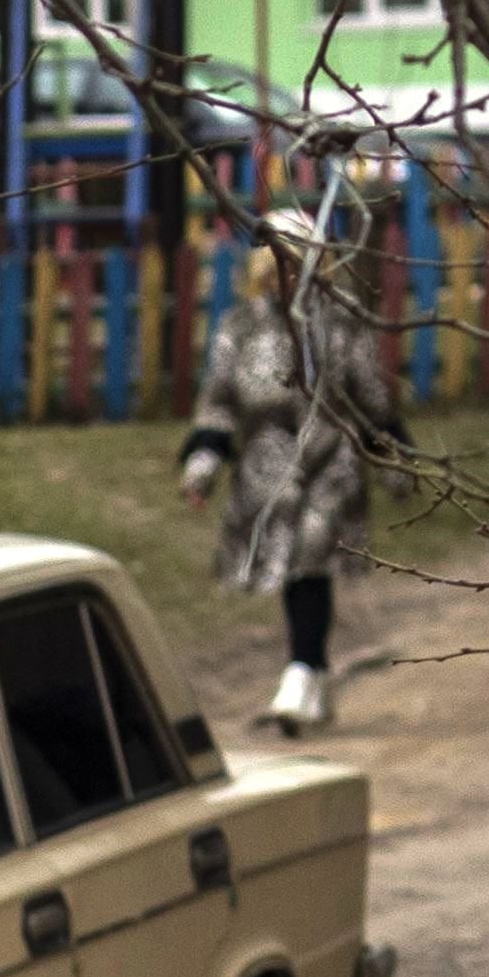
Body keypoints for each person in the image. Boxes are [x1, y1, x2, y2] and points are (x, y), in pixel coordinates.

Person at [175, 183, 392, 732]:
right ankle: (313, 678)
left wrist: (393, 460)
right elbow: (219, 404)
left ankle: (298, 676)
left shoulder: (342, 324)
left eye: (299, 262)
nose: (289, 274)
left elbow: (372, 400)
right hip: (265, 466)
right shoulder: (240, 328)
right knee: (291, 569)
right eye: (278, 264)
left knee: (310, 558)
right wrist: (202, 466)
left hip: (330, 460)